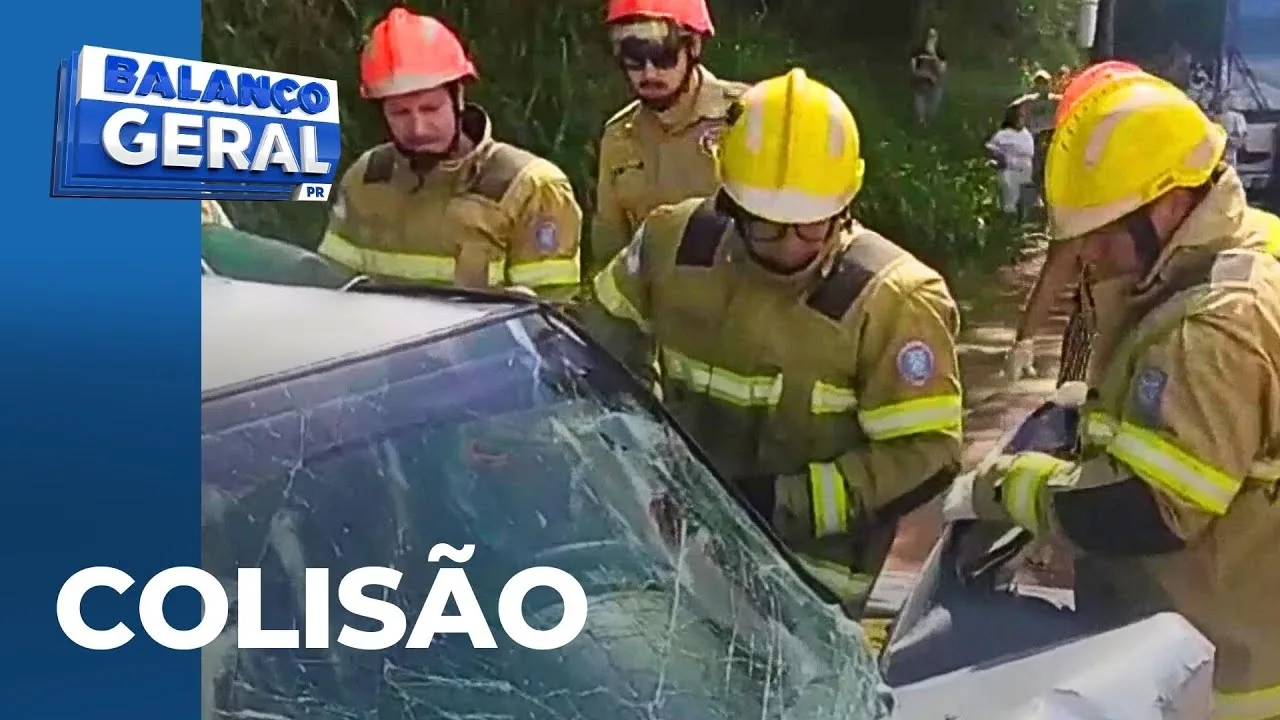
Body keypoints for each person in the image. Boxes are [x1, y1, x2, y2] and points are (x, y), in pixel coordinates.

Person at [946, 70, 1280, 718]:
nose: (1089, 253)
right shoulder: (1226, 252)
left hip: (1226, 685)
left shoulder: (1215, 324)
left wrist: (1007, 488)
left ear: (1170, 203)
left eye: (1105, 230)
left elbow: (1150, 507)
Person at [584, 68, 964, 612]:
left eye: (811, 225)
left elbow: (925, 454)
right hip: (676, 558)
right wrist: (636, 459)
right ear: (730, 199)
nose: (789, 245)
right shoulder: (671, 245)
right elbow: (592, 353)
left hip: (809, 594)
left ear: (846, 202)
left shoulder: (893, 299)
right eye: (766, 224)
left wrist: (777, 504)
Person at [317, 8, 582, 300]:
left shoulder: (529, 188)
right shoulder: (366, 178)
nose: (417, 128)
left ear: (458, 97)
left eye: (430, 109)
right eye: (400, 113)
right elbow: (332, 289)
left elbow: (549, 315)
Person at [1004, 60, 1145, 383]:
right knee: (1077, 400)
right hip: (1099, 315)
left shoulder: (1178, 181)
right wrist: (1025, 339)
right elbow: (1060, 262)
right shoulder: (1087, 185)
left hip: (1161, 322)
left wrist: (1025, 338)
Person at [588, 0, 749, 276]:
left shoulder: (746, 117)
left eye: (663, 57)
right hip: (651, 299)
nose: (649, 73)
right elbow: (609, 252)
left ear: (693, 48)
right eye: (634, 60)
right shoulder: (619, 136)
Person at [986, 103, 1035, 219]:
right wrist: (999, 156)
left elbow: (1030, 152)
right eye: (1018, 116)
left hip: (1025, 172)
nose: (1020, 119)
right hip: (1009, 171)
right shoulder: (1003, 134)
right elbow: (990, 147)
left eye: (1022, 116)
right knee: (1010, 202)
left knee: (1025, 202)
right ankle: (1009, 219)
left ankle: (1021, 219)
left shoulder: (1027, 134)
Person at [910, 28, 948, 125]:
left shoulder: (940, 54)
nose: (931, 39)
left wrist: (933, 54)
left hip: (935, 88)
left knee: (932, 114)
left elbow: (941, 71)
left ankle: (931, 127)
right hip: (920, 86)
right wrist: (927, 75)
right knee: (919, 115)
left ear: (937, 38)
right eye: (929, 36)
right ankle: (920, 126)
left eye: (933, 36)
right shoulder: (918, 52)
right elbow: (913, 70)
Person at [1209, 93, 1249, 169]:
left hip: (1229, 148)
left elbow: (1242, 135)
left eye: (1223, 101)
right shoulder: (1211, 117)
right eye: (1219, 102)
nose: (1221, 104)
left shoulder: (1237, 117)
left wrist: (1235, 140)